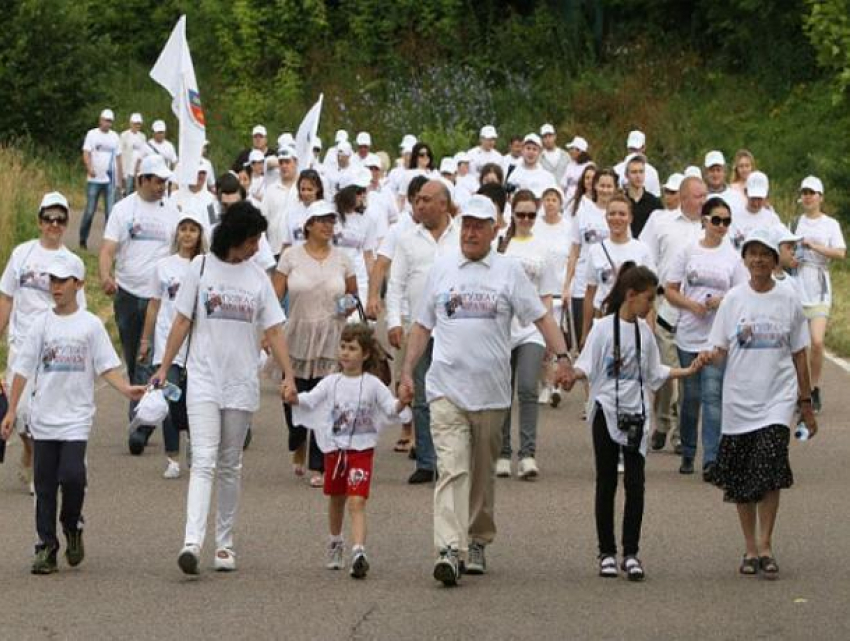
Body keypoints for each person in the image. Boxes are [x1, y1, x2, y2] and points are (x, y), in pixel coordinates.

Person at [398, 194, 574, 586]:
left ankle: (477, 538)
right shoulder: (442, 270)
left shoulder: (508, 272)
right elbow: (423, 326)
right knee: (451, 468)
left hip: (492, 394)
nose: (472, 232)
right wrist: (408, 371)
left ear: (495, 230)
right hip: (446, 388)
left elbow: (541, 317)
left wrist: (562, 357)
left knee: (481, 475)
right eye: (468, 225)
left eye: (480, 225)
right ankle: (447, 548)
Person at [151, 201, 295, 575]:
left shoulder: (258, 278)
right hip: (202, 377)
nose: (256, 246)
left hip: (241, 381)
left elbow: (275, 330)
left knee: (230, 464)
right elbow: (181, 321)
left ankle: (225, 545)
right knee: (203, 460)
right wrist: (164, 367)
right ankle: (191, 542)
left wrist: (289, 375)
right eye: (252, 240)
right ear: (235, 237)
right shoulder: (201, 269)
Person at [0, 252, 145, 574]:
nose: (56, 287)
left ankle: (72, 525)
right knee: (45, 486)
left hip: (76, 418)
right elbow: (23, 369)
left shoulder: (91, 326)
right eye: (52, 280)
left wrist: (126, 390)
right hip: (44, 417)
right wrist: (11, 411)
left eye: (62, 281)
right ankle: (46, 547)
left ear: (78, 284)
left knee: (73, 477)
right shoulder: (41, 324)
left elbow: (107, 366)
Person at [572, 263, 701, 581]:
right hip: (606, 410)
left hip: (637, 414)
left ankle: (631, 552)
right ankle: (606, 552)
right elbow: (585, 365)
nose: (650, 307)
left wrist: (688, 370)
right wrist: (567, 374)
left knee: (636, 484)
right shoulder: (603, 329)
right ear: (630, 296)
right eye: (647, 299)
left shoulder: (646, 332)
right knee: (606, 481)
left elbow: (655, 372)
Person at [706, 227, 816, 579]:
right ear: (745, 259)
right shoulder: (733, 300)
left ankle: (766, 545)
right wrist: (709, 356)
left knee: (769, 467)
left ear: (774, 259)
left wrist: (805, 401)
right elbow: (720, 347)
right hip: (740, 399)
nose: (758, 260)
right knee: (741, 476)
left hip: (777, 399)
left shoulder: (788, 299)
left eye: (765, 254)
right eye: (752, 254)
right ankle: (749, 548)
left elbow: (800, 353)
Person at [287, 323, 411, 579]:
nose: (345, 353)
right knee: (336, 499)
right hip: (335, 451)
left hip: (361, 452)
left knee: (357, 501)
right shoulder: (331, 383)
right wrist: (294, 398)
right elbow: (310, 399)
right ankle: (335, 541)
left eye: (352, 348)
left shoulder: (373, 384)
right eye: (343, 347)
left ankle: (358, 551)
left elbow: (389, 409)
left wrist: (403, 402)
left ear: (365, 354)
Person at [0, 192, 86, 495]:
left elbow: (81, 311)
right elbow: (7, 297)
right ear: (40, 222)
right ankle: (29, 449)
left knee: (44, 410)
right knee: (19, 411)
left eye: (61, 219)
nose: (55, 224)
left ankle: (41, 471)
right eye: (49, 218)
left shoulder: (72, 262)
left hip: (54, 347)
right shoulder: (21, 254)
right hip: (22, 344)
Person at [274, 200, 358, 488]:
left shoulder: (344, 258)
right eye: (321, 220)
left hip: (331, 335)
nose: (327, 226)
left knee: (325, 401)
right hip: (296, 334)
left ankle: (319, 463)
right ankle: (297, 440)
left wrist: (345, 307)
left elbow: (353, 296)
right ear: (308, 224)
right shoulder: (290, 256)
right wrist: (267, 332)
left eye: (331, 221)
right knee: (293, 397)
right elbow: (274, 298)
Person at [99, 155, 180, 455]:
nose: (162, 186)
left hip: (161, 297)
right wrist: (105, 275)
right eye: (157, 181)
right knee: (135, 359)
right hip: (130, 294)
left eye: (164, 182)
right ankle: (140, 413)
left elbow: (183, 247)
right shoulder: (123, 210)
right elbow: (109, 249)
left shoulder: (172, 212)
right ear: (141, 180)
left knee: (154, 359)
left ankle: (141, 426)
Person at [665, 197, 747, 479]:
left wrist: (720, 302)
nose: (721, 226)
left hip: (717, 337)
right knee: (691, 396)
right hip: (689, 332)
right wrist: (692, 305)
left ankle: (712, 458)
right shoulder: (688, 250)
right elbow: (670, 289)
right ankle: (688, 450)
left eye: (726, 221)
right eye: (716, 220)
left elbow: (741, 297)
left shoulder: (734, 257)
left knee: (713, 396)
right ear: (704, 220)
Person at [386, 180, 459, 485]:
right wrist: (393, 321)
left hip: (456, 330)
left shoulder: (461, 236)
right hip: (420, 328)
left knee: (454, 395)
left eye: (427, 200)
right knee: (421, 395)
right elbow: (396, 284)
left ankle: (454, 458)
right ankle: (427, 461)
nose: (420, 205)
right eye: (417, 200)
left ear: (444, 204)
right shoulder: (407, 239)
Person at [639, 176, 707, 453]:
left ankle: (679, 431)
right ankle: (664, 421)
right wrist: (649, 301)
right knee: (670, 373)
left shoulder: (711, 227)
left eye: (705, 196)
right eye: (698, 196)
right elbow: (646, 257)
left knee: (691, 376)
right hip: (665, 306)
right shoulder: (660, 221)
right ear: (683, 197)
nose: (703, 201)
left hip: (698, 312)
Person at [495, 190, 559, 480]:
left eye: (531, 215)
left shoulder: (543, 247)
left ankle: (528, 454)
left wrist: (548, 334)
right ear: (512, 213)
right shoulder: (500, 246)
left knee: (527, 389)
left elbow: (546, 295)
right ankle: (503, 452)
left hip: (531, 329)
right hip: (501, 329)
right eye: (520, 214)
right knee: (502, 391)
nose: (525, 219)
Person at [139, 210, 208, 479]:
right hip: (167, 341)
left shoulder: (205, 265)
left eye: (193, 229)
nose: (188, 234)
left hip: (197, 342)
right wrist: (145, 340)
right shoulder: (163, 266)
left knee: (192, 398)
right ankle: (172, 457)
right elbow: (154, 305)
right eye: (184, 228)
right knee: (169, 399)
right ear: (177, 233)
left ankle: (193, 440)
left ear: (200, 234)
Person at [792, 176, 846, 413]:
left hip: (820, 284)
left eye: (812, 192)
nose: (808, 196)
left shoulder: (830, 224)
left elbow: (840, 253)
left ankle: (814, 387)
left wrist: (814, 246)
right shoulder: (795, 223)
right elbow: (786, 250)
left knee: (817, 341)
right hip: (798, 282)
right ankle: (802, 391)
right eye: (804, 192)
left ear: (820, 197)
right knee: (798, 344)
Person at [581, 195, 655, 344]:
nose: (617, 218)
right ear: (606, 217)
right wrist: (585, 333)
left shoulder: (642, 250)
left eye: (622, 214)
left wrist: (650, 330)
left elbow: (649, 295)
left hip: (633, 321)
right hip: (604, 319)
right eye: (612, 214)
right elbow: (590, 293)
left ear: (630, 218)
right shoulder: (596, 250)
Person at [564, 168, 616, 353]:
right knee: (585, 344)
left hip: (610, 286)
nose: (605, 190)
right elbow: (574, 250)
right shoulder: (583, 212)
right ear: (595, 186)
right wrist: (566, 286)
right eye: (602, 185)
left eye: (610, 186)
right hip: (582, 285)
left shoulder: (619, 214)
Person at [534, 186, 572, 406]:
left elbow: (571, 260)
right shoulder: (536, 227)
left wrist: (568, 287)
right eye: (546, 199)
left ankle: (556, 384)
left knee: (557, 342)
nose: (550, 203)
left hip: (560, 292)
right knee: (541, 344)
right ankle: (546, 384)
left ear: (560, 203)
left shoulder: (567, 227)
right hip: (540, 292)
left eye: (554, 199)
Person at [80, 108, 123, 249]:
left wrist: (120, 179)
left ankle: (107, 244)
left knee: (110, 213)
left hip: (109, 180)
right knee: (90, 211)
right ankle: (83, 238)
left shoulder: (115, 137)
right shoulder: (92, 135)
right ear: (100, 120)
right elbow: (86, 153)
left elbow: (118, 158)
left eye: (110, 121)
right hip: (94, 179)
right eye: (106, 120)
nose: (108, 124)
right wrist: (89, 167)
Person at [334, 171, 379, 304]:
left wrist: (373, 292)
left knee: (355, 321)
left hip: (358, 279)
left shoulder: (367, 219)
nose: (362, 195)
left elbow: (368, 256)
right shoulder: (330, 216)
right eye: (358, 192)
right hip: (332, 277)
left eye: (364, 191)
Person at [261, 146, 300, 258]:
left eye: (287, 162)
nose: (284, 166)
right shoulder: (270, 190)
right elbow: (263, 219)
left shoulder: (303, 189)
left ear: (295, 162)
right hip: (275, 250)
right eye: (281, 163)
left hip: (298, 251)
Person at [728, 171, 781, 251]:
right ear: (745, 192)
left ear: (766, 195)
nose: (756, 203)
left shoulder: (773, 219)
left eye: (760, 199)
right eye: (753, 198)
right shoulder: (733, 217)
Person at [280, 169, 325, 251]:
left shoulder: (325, 211)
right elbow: (287, 243)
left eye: (309, 189)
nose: (305, 193)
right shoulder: (291, 212)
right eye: (303, 189)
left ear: (317, 188)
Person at [623, 155, 662, 237]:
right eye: (634, 172)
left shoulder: (654, 203)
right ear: (626, 175)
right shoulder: (622, 201)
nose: (638, 176)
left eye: (641, 172)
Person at [613, 131, 660, 197]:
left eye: (636, 149)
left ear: (644, 148)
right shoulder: (616, 170)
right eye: (631, 149)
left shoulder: (652, 172)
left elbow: (656, 196)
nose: (633, 152)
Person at [702, 150, 746, 218]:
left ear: (724, 172)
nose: (715, 174)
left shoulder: (736, 197)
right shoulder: (700, 197)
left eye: (718, 170)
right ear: (705, 173)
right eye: (712, 170)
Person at [119, 113, 146, 197]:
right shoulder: (124, 135)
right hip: (127, 170)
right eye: (135, 123)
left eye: (138, 123)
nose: (137, 125)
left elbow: (144, 153)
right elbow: (120, 153)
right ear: (131, 123)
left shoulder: (143, 136)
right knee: (127, 192)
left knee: (138, 193)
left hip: (139, 170)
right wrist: (121, 172)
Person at [562, 136, 593, 204]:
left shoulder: (590, 165)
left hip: (584, 200)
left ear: (579, 151)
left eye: (572, 149)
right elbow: (563, 185)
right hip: (568, 200)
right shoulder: (569, 165)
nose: (570, 151)